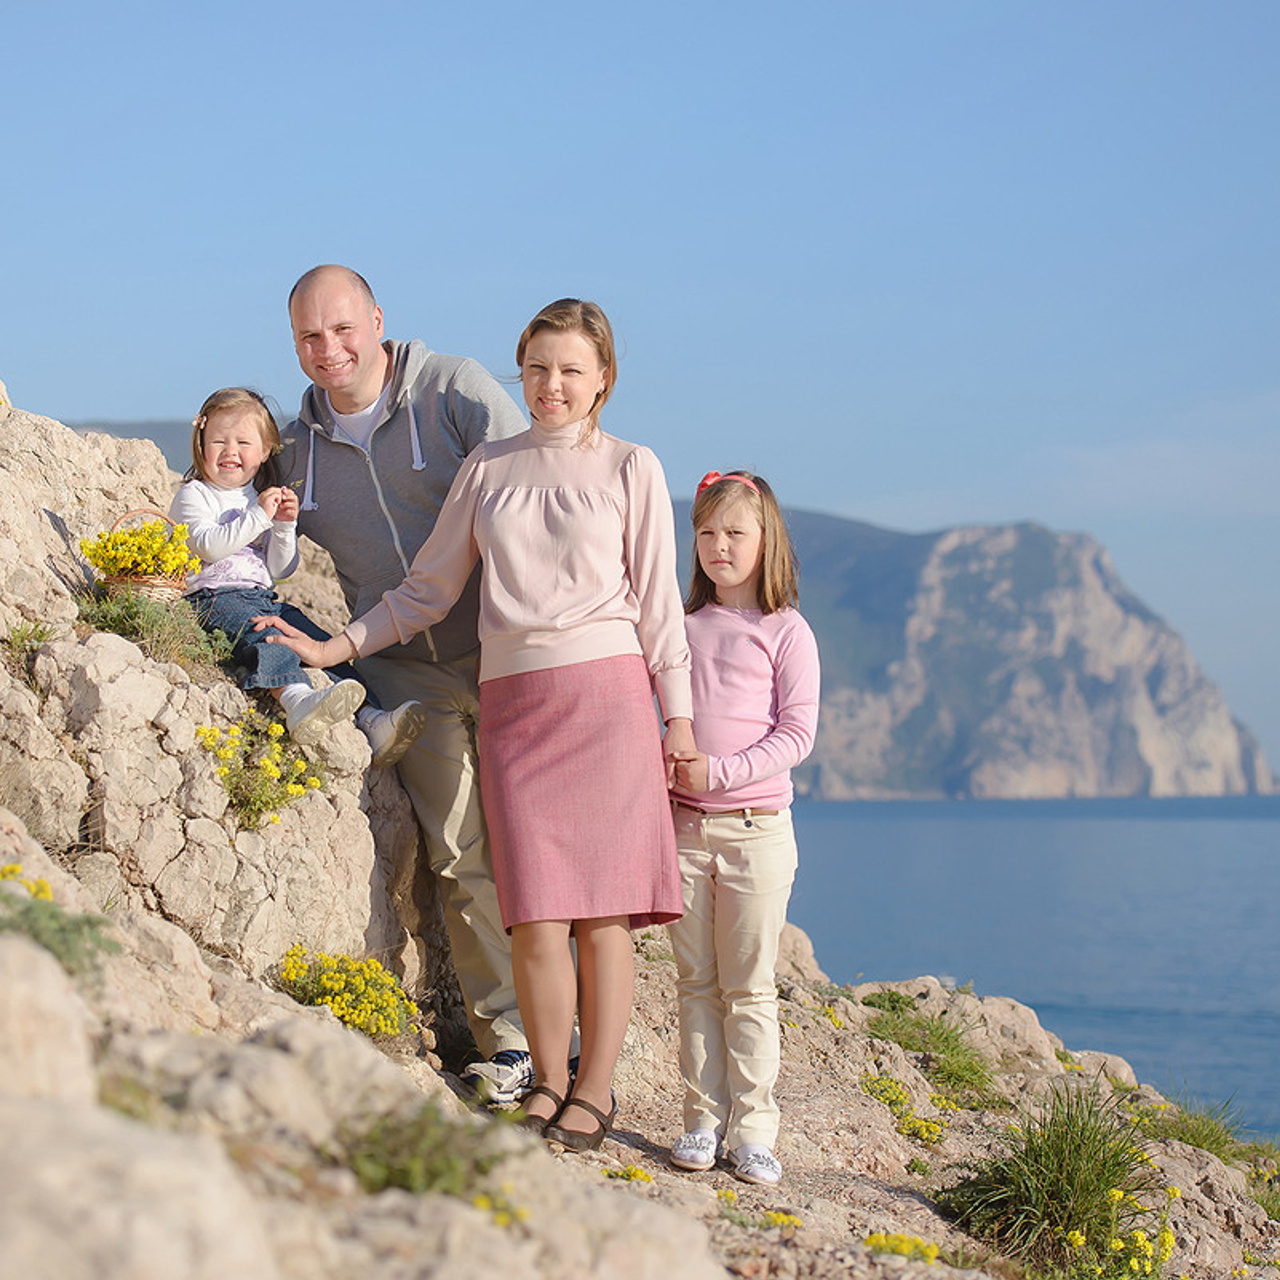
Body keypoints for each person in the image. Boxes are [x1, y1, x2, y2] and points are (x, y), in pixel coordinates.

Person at [259, 298, 694, 1151]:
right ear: (519, 373)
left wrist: (677, 719)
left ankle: (593, 1093)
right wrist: (335, 644)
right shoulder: (489, 468)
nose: (551, 386)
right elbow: (428, 588)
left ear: (603, 378)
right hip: (517, 704)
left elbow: (661, 607)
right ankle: (545, 1080)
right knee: (534, 910)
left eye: (571, 369)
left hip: (607, 699)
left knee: (602, 915)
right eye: (537, 368)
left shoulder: (631, 466)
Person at [279, 265, 531, 1101]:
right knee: (463, 852)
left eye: (344, 328)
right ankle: (512, 1045)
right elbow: (242, 518)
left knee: (542, 845)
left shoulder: (453, 392)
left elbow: (537, 491)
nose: (330, 350)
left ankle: (584, 1038)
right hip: (399, 671)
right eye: (310, 337)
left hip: (509, 653)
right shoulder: (297, 447)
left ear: (378, 320)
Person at [666, 470, 821, 1187]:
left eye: (735, 533)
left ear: (767, 541)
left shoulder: (787, 630)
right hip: (686, 831)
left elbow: (798, 734)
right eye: (706, 533)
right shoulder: (680, 627)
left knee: (749, 986)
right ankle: (702, 1118)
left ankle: (754, 1129)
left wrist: (719, 773)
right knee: (696, 981)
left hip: (758, 829)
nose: (719, 546)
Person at [170, 386, 427, 762]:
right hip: (213, 597)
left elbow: (280, 569)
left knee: (319, 641)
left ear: (264, 451)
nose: (230, 451)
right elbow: (209, 547)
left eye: (243, 442)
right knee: (268, 637)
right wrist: (259, 516)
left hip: (261, 595)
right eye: (218, 441)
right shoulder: (194, 495)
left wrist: (284, 527)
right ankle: (295, 699)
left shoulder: (256, 496)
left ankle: (372, 718)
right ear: (200, 442)